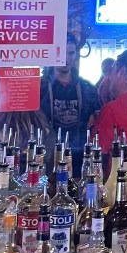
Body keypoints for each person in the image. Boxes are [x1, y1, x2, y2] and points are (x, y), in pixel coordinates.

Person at [40, 33, 100, 166]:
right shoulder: (39, 88)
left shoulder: (87, 89)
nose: (66, 58)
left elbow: (96, 125)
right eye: (61, 53)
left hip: (79, 158)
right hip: (46, 158)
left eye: (71, 53)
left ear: (76, 55)